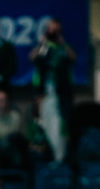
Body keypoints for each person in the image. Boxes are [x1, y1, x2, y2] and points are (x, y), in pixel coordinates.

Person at [31, 18, 75, 162]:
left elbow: (73, 58)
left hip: (62, 95)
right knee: (43, 126)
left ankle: (62, 158)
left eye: (56, 30)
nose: (53, 33)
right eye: (51, 30)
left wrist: (62, 43)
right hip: (44, 94)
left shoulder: (63, 47)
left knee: (61, 127)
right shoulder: (44, 47)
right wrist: (43, 43)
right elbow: (32, 57)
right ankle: (48, 157)